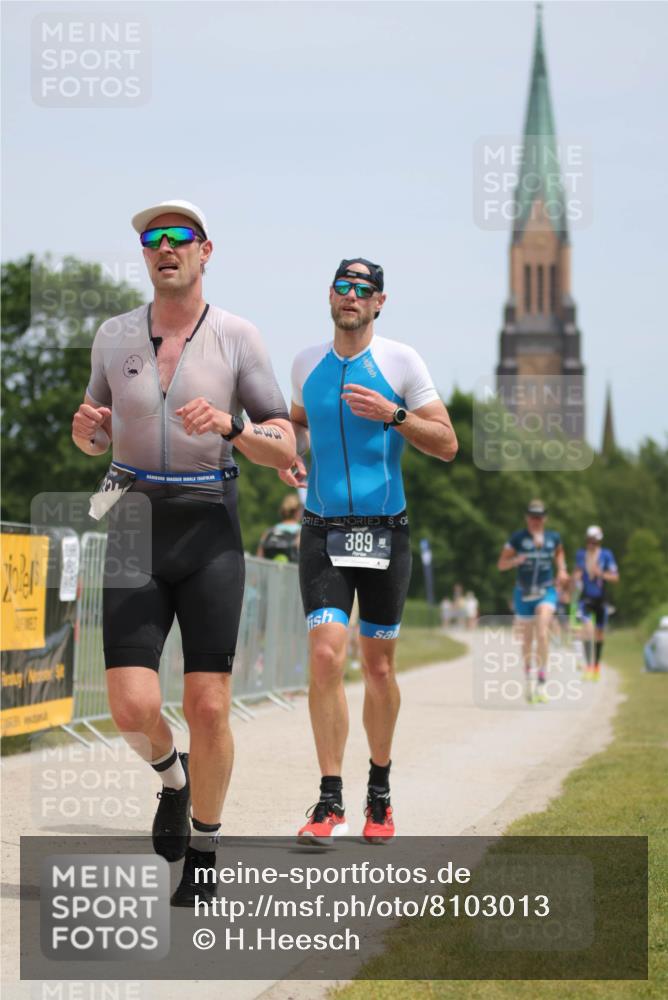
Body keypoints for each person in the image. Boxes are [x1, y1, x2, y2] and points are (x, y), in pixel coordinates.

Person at [71, 199, 295, 905]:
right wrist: (89, 431)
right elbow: (92, 436)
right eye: (152, 239)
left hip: (209, 526)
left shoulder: (237, 337)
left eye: (179, 237)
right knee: (130, 706)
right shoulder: (113, 336)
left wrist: (232, 426)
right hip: (134, 521)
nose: (165, 247)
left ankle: (205, 847)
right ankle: (173, 778)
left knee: (208, 703)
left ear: (205, 250)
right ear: (144, 256)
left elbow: (284, 444)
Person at [279, 257, 458, 844]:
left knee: (378, 666)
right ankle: (329, 800)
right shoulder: (306, 361)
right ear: (329, 296)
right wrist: (290, 452)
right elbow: (299, 426)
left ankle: (378, 791)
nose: (351, 296)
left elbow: (448, 444)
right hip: (323, 528)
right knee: (327, 655)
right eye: (342, 287)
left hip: (386, 530)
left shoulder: (402, 362)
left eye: (363, 289)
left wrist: (396, 414)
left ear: (380, 302)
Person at [497, 499, 568, 703]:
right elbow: (501, 564)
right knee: (527, 640)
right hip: (523, 593)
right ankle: (529, 676)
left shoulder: (553, 538)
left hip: (546, 590)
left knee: (543, 629)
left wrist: (562, 569)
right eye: (531, 517)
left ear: (545, 518)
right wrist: (514, 561)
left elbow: (560, 554)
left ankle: (542, 681)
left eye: (539, 517)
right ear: (526, 518)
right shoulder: (518, 539)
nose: (535, 521)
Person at [572, 525, 619, 680]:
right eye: (589, 541)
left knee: (599, 634)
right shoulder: (581, 554)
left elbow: (615, 578)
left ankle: (596, 667)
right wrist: (575, 577)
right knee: (587, 631)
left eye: (595, 541)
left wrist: (601, 574)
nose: (591, 544)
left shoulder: (606, 555)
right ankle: (587, 666)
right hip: (585, 598)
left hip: (601, 598)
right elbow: (576, 573)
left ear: (599, 541)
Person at [256, 493, 301, 563]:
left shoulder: (269, 532)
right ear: (297, 512)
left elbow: (259, 559)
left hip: (269, 573)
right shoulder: (300, 532)